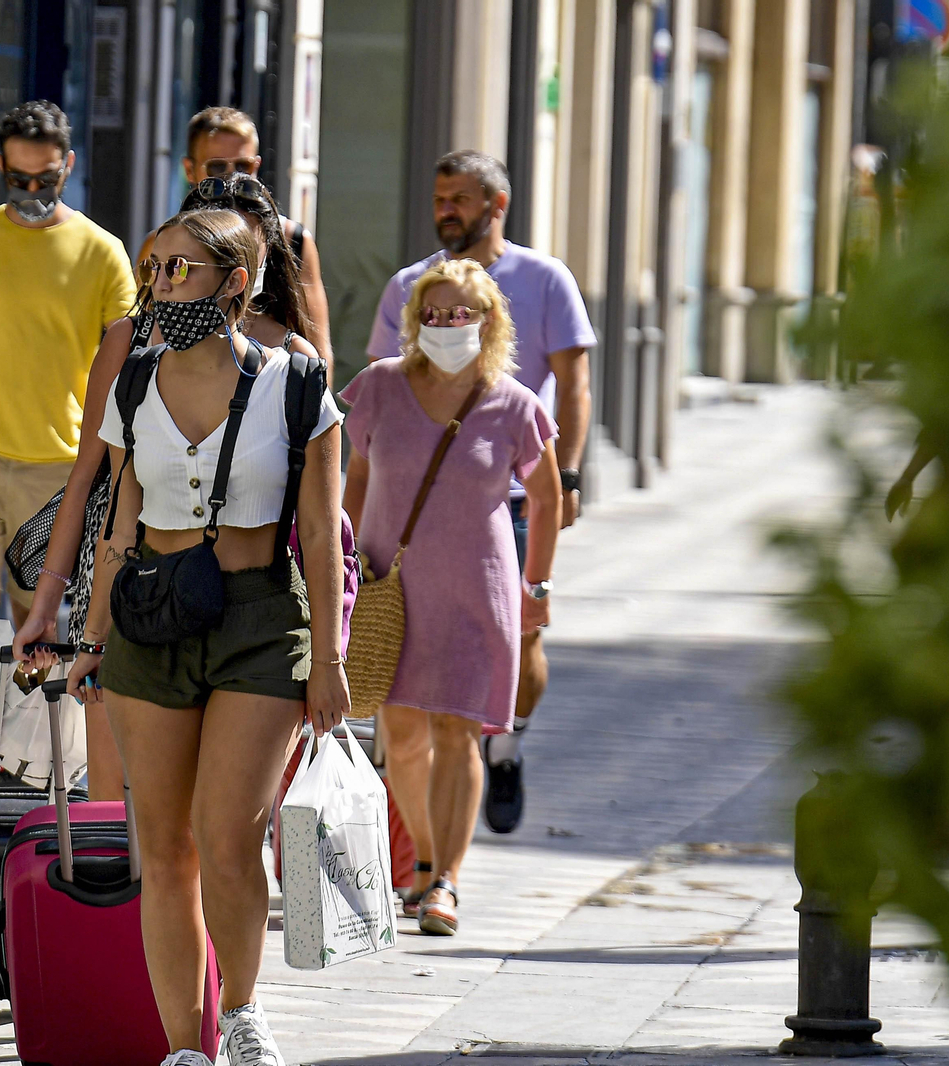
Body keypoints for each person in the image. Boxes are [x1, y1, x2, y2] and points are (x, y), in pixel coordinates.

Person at [65, 208, 349, 1066]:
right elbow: (117, 519)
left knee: (229, 835)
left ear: (237, 283)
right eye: (154, 270)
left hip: (259, 621)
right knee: (164, 846)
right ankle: (186, 1047)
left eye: (181, 271)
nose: (161, 287)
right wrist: (91, 635)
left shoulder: (297, 388)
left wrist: (330, 661)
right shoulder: (132, 382)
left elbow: (325, 533)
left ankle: (244, 1015)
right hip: (152, 617)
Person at [12, 173, 320, 800]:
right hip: (137, 585)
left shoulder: (290, 361)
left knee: (221, 825)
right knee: (122, 811)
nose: (169, 279)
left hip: (250, 597)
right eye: (163, 264)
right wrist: (54, 603)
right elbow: (88, 479)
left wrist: (327, 647)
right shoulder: (130, 342)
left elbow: (314, 510)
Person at [363, 149, 595, 839]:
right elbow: (384, 378)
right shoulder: (412, 284)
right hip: (420, 516)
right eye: (439, 198)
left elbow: (574, 383)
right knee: (417, 677)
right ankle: (443, 822)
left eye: (459, 199)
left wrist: (570, 473)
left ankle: (509, 744)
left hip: (514, 495)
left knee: (525, 642)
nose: (445, 211)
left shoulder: (546, 278)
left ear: (496, 205)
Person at [343, 257, 559, 934]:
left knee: (460, 729)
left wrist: (538, 586)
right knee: (402, 734)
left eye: (459, 312)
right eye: (431, 313)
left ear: (488, 320)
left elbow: (548, 498)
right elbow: (349, 483)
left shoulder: (514, 403)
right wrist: (337, 564)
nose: (444, 324)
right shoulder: (378, 388)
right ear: (413, 321)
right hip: (390, 587)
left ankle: (446, 883)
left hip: (477, 588)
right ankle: (426, 863)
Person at [0, 100, 137, 622]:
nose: (30, 194)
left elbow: (131, 364)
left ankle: (26, 709)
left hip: (59, 467)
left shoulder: (103, 252)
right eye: (18, 179)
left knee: (36, 627)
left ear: (68, 165)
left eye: (44, 180)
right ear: (0, 166)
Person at [134, 106, 331, 358]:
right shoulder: (160, 244)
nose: (231, 177)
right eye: (216, 167)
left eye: (243, 166)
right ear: (189, 170)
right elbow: (147, 330)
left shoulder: (293, 239)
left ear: (257, 166)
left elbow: (317, 340)